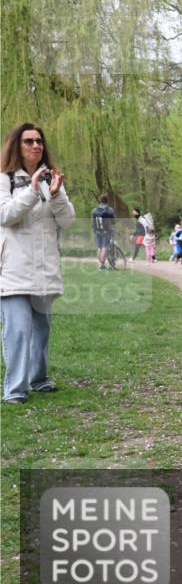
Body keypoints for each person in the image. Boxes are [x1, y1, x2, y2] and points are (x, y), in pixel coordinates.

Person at [0, 123, 75, 404]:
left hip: (44, 268)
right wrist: (31, 192)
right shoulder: (4, 179)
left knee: (41, 329)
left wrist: (55, 195)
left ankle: (39, 379)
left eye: (39, 141)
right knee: (18, 329)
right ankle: (15, 390)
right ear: (16, 147)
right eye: (29, 141)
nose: (36, 146)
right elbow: (5, 215)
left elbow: (67, 220)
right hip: (12, 267)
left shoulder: (50, 179)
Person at [90, 195, 116, 270]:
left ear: (100, 201)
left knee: (99, 247)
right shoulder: (109, 210)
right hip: (106, 231)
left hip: (97, 231)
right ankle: (102, 265)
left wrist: (95, 230)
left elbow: (92, 223)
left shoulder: (94, 210)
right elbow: (113, 221)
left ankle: (100, 265)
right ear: (107, 201)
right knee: (105, 247)